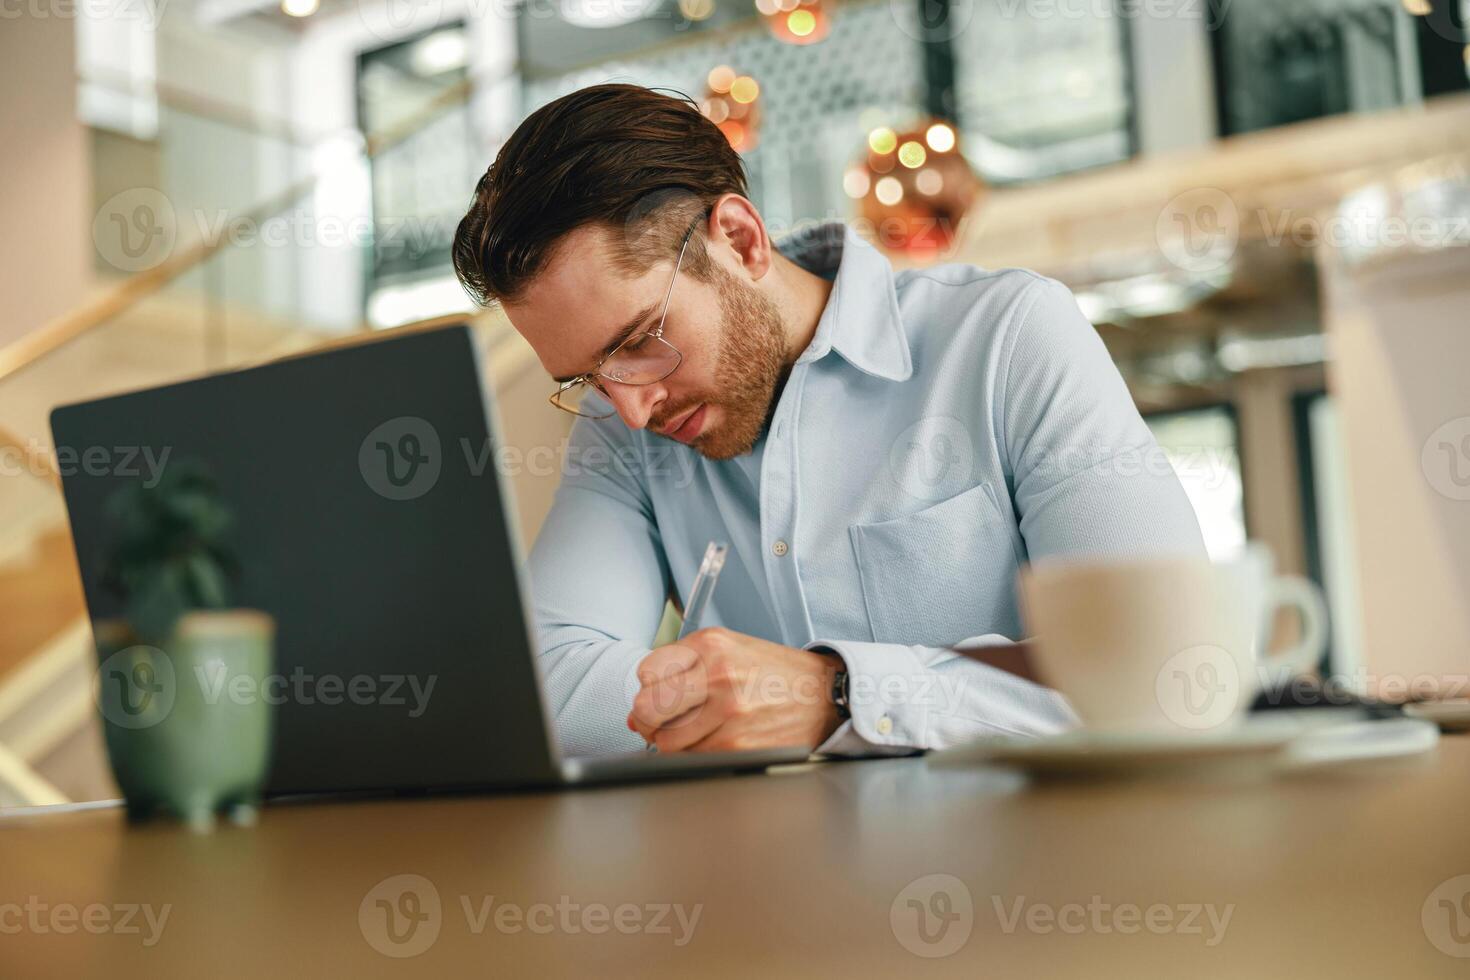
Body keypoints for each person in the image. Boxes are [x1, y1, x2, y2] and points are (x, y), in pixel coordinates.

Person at [452, 84, 1205, 757]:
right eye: (587, 375)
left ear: (741, 241)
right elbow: (548, 688)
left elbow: (1155, 662)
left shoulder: (1007, 337)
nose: (629, 406)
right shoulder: (620, 424)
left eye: (640, 342)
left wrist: (835, 695)